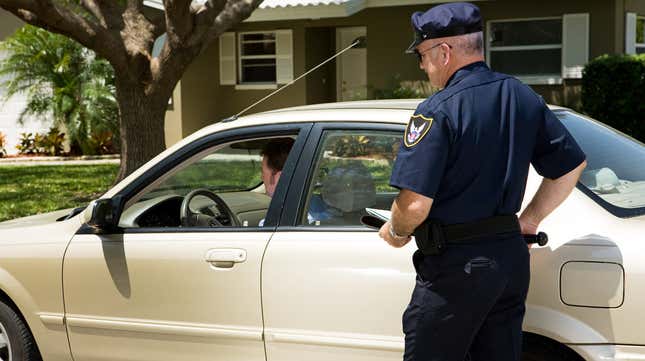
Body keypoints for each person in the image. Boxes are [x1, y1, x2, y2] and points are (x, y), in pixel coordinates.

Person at [378, 3, 587, 361]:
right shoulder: (521, 95)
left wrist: (396, 231)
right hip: (508, 261)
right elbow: (570, 165)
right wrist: (530, 220)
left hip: (456, 267)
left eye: (422, 55)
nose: (422, 66)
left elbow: (414, 204)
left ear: (444, 52)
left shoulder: (438, 110)